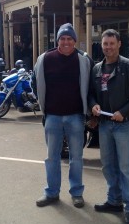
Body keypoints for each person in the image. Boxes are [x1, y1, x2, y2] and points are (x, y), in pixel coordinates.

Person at [88, 29, 129, 224]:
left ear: (119, 44)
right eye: (105, 44)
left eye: (112, 43)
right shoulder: (97, 68)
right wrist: (93, 105)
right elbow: (91, 94)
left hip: (125, 125)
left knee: (127, 168)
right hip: (105, 125)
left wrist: (123, 111)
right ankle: (114, 201)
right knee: (108, 166)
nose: (108, 47)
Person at [34, 23, 92, 208]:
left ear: (75, 41)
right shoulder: (44, 59)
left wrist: (90, 112)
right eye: (62, 38)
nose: (66, 42)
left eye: (69, 38)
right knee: (52, 158)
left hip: (76, 117)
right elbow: (34, 83)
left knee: (76, 158)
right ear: (57, 40)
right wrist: (43, 106)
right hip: (53, 117)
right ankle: (51, 192)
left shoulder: (84, 60)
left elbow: (91, 86)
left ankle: (76, 193)